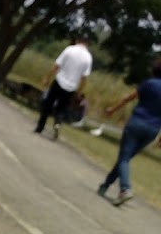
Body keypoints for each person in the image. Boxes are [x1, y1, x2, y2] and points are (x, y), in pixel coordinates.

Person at [97, 58, 161, 206]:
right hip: (152, 130)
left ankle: (125, 189)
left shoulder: (149, 84)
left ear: (153, 70)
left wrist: (112, 109)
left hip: (137, 123)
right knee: (125, 158)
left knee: (124, 158)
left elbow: (128, 98)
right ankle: (105, 185)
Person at [34, 36, 92, 138]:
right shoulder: (88, 57)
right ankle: (57, 122)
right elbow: (84, 78)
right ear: (88, 44)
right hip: (71, 87)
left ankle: (40, 127)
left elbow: (57, 65)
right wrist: (79, 91)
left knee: (48, 104)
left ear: (77, 41)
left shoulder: (69, 50)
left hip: (59, 81)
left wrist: (47, 77)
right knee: (62, 108)